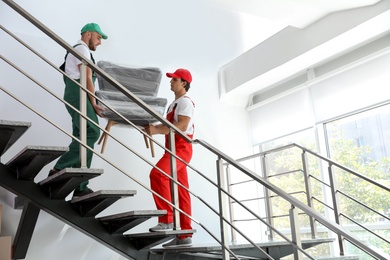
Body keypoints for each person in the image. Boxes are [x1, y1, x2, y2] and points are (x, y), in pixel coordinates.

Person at [48, 23, 107, 199]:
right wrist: (94, 103)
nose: (99, 42)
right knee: (92, 132)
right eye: (98, 38)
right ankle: (59, 168)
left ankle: (81, 187)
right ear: (87, 34)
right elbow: (87, 79)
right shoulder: (82, 49)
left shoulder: (79, 50)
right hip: (78, 93)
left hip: (76, 93)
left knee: (83, 136)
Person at [145, 68, 195, 247]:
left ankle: (166, 219)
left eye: (175, 79)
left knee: (158, 174)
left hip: (181, 147)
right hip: (172, 148)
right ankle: (184, 236)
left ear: (184, 83)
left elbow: (181, 125)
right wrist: (154, 127)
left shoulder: (185, 102)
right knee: (181, 191)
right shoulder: (174, 104)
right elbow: (170, 124)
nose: (171, 81)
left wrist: (157, 130)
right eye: (171, 79)